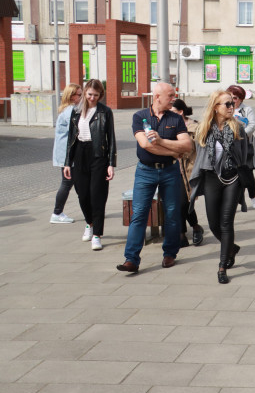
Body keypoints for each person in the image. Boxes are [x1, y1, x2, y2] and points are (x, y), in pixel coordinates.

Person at [117, 82, 191, 273]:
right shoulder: (140, 116)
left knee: (173, 213)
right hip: (145, 171)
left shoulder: (176, 118)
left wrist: (161, 141)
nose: (173, 99)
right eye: (170, 96)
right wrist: (173, 151)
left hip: (170, 171)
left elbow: (187, 146)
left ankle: (169, 253)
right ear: (157, 96)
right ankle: (131, 259)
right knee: (139, 213)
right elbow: (145, 145)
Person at [189, 90, 254, 284]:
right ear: (215, 107)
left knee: (226, 223)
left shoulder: (238, 128)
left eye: (232, 103)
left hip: (232, 179)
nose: (231, 107)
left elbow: (244, 155)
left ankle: (222, 266)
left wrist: (243, 177)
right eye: (226, 104)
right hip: (211, 178)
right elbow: (199, 156)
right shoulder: (204, 128)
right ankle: (231, 247)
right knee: (213, 224)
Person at [63, 79, 116, 251]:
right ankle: (89, 223)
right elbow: (70, 139)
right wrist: (67, 163)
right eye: (90, 94)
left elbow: (111, 139)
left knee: (97, 196)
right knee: (82, 194)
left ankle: (97, 235)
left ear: (101, 95)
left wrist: (111, 163)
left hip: (98, 155)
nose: (93, 98)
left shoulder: (105, 112)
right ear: (85, 92)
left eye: (96, 95)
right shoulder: (76, 111)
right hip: (79, 154)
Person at [172, 99, 204, 248]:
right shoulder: (167, 126)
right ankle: (183, 233)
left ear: (180, 112)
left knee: (185, 202)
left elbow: (197, 151)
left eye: (172, 112)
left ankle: (194, 228)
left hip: (190, 169)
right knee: (179, 202)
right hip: (172, 169)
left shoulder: (195, 127)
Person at [50, 84, 82, 225]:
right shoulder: (70, 111)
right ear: (71, 96)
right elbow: (76, 132)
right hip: (67, 154)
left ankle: (90, 210)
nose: (81, 98)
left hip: (65, 153)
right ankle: (57, 213)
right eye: (79, 95)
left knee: (75, 183)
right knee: (67, 182)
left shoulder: (66, 109)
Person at [227, 85, 255, 209]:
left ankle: (253, 196)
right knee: (233, 176)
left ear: (241, 99)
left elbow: (252, 125)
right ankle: (235, 201)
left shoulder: (247, 110)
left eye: (235, 98)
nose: (232, 100)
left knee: (247, 174)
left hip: (245, 146)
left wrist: (240, 136)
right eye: (230, 97)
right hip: (230, 147)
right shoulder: (225, 108)